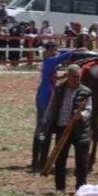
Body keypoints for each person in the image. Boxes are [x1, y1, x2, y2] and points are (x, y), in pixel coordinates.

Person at [42, 65, 93, 194]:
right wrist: (45, 121)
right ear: (68, 76)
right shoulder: (59, 89)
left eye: (79, 77)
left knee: (81, 161)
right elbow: (52, 106)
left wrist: (81, 115)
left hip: (80, 131)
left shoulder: (86, 91)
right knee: (60, 160)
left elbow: (89, 109)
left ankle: (81, 188)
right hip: (62, 129)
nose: (77, 80)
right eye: (74, 77)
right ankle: (60, 187)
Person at [33, 42, 75, 170]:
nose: (56, 51)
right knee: (44, 126)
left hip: (42, 94)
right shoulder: (51, 60)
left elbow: (53, 77)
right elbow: (61, 57)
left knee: (40, 125)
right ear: (48, 50)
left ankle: (35, 157)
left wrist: (64, 76)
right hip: (46, 96)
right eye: (54, 49)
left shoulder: (48, 61)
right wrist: (76, 50)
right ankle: (40, 157)